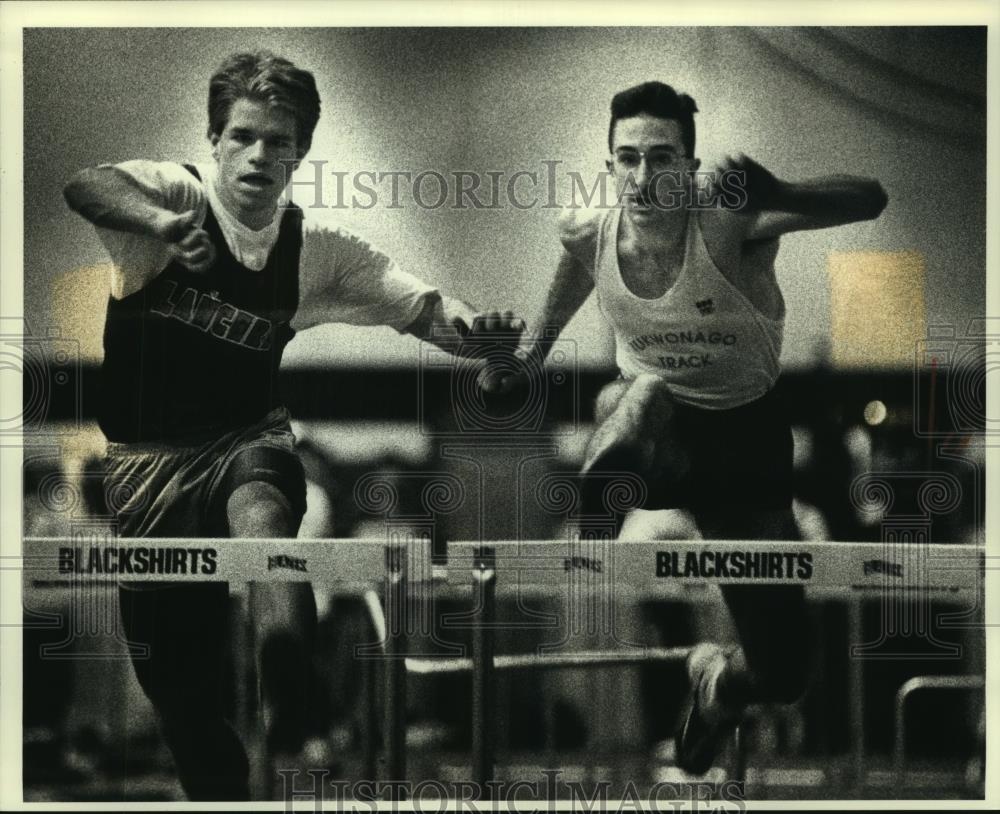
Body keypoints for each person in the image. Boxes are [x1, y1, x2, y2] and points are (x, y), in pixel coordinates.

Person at [62, 51, 521, 801]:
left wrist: (483, 343)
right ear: (215, 139)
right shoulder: (174, 198)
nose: (259, 155)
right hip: (146, 467)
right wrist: (162, 225)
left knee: (267, 513)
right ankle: (223, 782)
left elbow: (418, 307)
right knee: (179, 700)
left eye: (279, 141)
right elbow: (85, 184)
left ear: (300, 152)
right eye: (244, 136)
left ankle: (290, 679)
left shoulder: (314, 252)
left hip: (249, 442)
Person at [513, 81, 887, 774]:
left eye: (662, 158)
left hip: (747, 442)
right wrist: (532, 352)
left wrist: (785, 189)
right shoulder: (586, 227)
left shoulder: (726, 220)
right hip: (660, 433)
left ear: (690, 167)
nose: (644, 177)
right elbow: (577, 266)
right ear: (610, 165)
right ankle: (610, 478)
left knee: (784, 674)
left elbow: (870, 200)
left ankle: (718, 685)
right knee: (637, 395)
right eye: (627, 158)